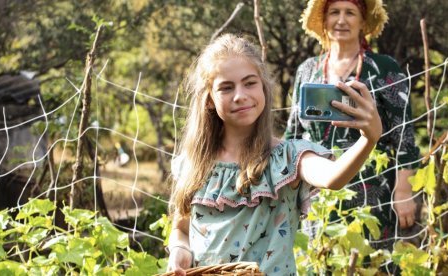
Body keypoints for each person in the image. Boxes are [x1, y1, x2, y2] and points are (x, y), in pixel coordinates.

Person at [166, 33, 382, 276]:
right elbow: (182, 229)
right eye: (226, 87)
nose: (240, 95)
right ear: (209, 100)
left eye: (249, 83)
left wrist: (368, 138)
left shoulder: (286, 158)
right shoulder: (194, 164)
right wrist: (178, 250)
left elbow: (333, 177)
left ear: (264, 87)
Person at [285, 0, 420, 271]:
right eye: (334, 12)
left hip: (372, 190)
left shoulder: (384, 68)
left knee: (372, 264)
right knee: (321, 261)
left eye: (350, 13)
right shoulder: (307, 70)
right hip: (317, 191)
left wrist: (404, 191)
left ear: (363, 21)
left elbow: (404, 134)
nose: (341, 20)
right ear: (323, 20)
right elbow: (293, 134)